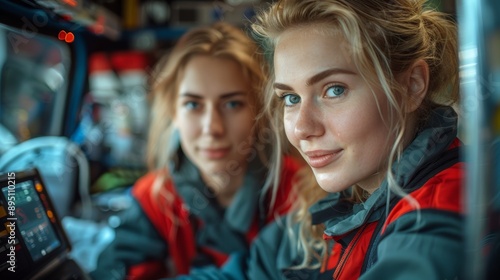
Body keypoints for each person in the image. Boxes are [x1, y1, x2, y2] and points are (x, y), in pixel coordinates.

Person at [239, 0, 465, 279]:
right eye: (291, 98)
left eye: (334, 90)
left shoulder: (438, 215)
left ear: (411, 86)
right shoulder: (352, 200)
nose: (302, 128)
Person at [89, 21, 301, 280]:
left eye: (232, 104)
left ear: (259, 111)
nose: (212, 128)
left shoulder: (300, 191)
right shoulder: (155, 199)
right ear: (173, 113)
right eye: (193, 105)